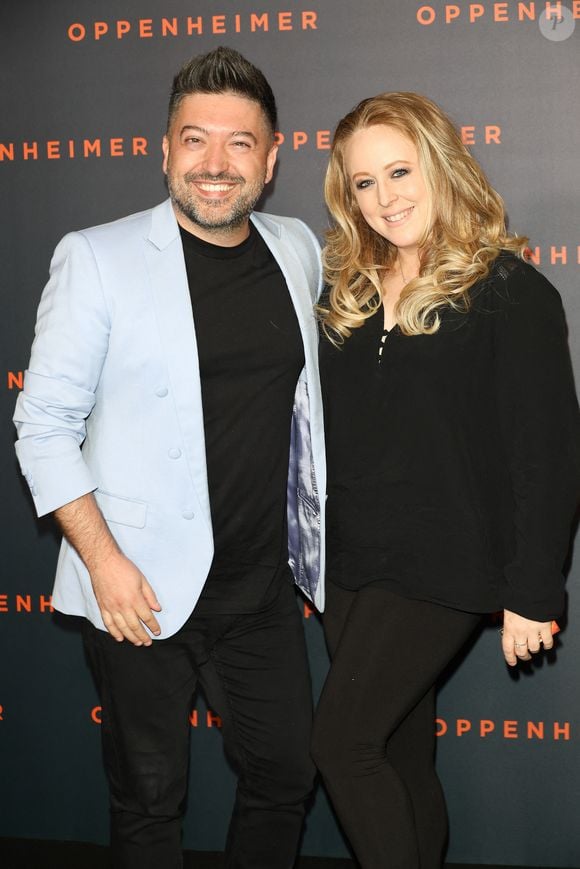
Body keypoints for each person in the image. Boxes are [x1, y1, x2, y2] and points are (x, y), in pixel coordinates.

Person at [13, 47, 325, 869]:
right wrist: (103, 561)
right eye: (195, 140)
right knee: (149, 799)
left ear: (272, 157)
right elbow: (42, 425)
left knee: (287, 774)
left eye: (239, 143)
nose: (215, 165)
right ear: (163, 150)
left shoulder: (299, 249)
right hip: (137, 588)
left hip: (261, 588)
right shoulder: (98, 257)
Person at [311, 92, 580, 869]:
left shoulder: (508, 290)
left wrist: (534, 588)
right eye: (363, 183)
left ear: (441, 165)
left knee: (342, 743)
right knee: (397, 754)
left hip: (445, 561)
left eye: (399, 171)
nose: (384, 197)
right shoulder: (348, 293)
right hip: (352, 562)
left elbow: (549, 452)